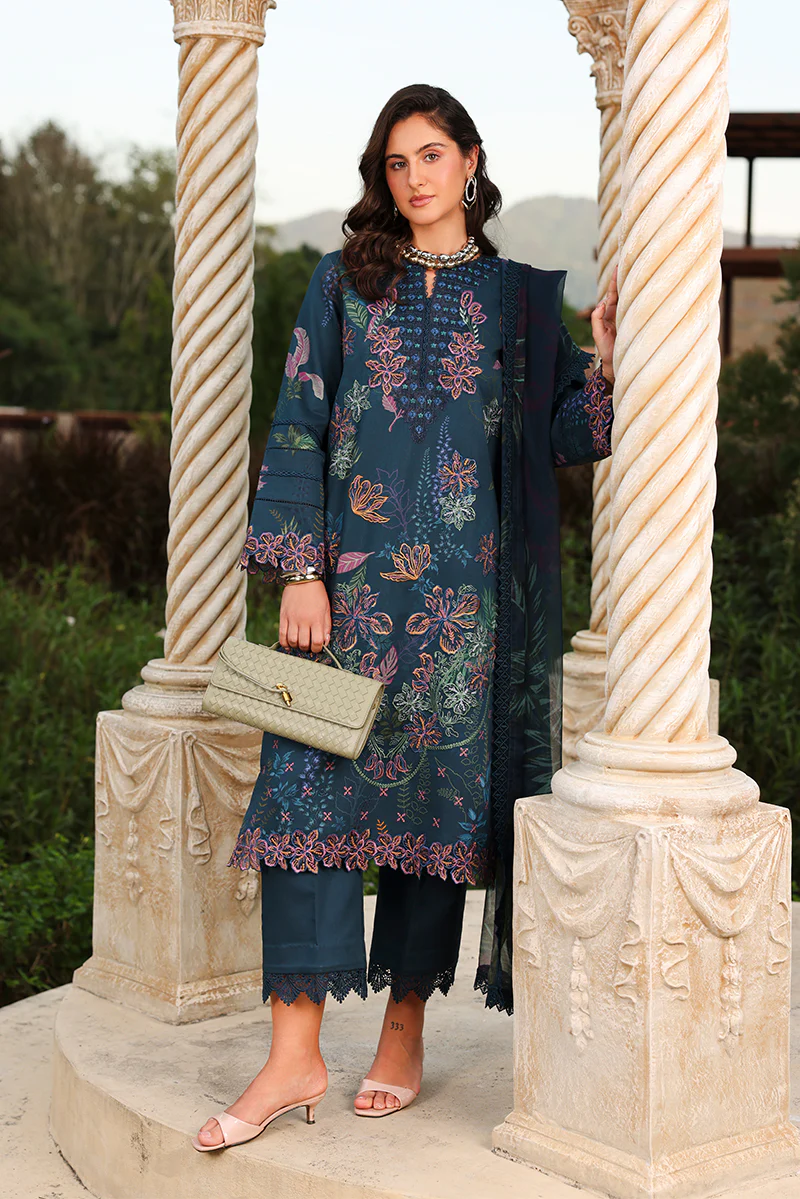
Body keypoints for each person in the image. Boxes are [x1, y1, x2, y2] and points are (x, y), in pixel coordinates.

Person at [194, 82, 617, 1151]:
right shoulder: (345, 280)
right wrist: (299, 569)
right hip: (345, 604)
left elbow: (569, 434)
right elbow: (298, 420)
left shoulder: (518, 304)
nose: (415, 177)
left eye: (432, 155)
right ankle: (292, 1056)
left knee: (433, 825)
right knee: (300, 810)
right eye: (397, 161)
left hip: (463, 615)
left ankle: (402, 1027)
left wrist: (608, 358)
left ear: (470, 161)